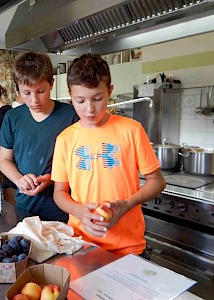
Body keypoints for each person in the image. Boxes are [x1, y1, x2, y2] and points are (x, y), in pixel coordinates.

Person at [51, 53, 166, 256]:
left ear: (110, 91)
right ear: (71, 96)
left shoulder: (131, 129)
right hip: (81, 245)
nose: (90, 109)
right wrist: (78, 211)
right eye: (80, 101)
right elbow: (59, 193)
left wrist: (126, 205)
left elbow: (157, 181)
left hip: (128, 248)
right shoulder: (65, 139)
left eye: (98, 99)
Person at [0, 52, 79, 222]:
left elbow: (80, 164)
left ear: (51, 83)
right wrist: (19, 180)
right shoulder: (12, 117)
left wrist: (51, 179)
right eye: (26, 93)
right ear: (17, 89)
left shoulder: (71, 115)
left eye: (40, 91)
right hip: (24, 207)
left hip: (62, 207)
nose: (34, 100)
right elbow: (4, 161)